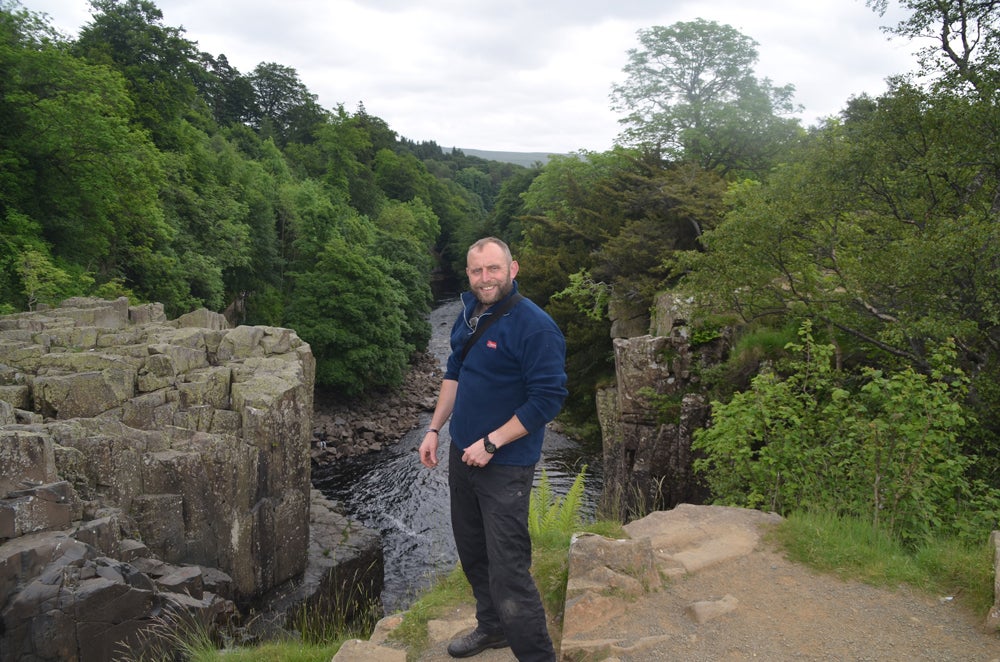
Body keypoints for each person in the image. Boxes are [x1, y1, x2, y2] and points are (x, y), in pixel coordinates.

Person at [419, 237, 567, 661]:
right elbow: (455, 373)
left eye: (493, 269)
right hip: (462, 456)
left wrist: (492, 442)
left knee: (509, 575)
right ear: (468, 274)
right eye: (477, 270)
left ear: (512, 269)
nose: (485, 278)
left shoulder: (535, 327)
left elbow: (548, 399)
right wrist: (433, 429)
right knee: (473, 553)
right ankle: (492, 628)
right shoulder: (467, 313)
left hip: (505, 465)